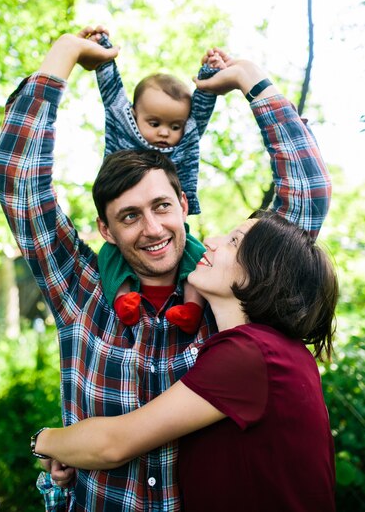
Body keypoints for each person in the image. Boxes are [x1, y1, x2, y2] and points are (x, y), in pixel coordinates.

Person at [0, 26, 332, 512]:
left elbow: (308, 196)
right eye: (129, 216)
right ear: (106, 231)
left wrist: (252, 84)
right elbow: (19, 183)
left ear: (184, 204)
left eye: (161, 206)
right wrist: (66, 51)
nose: (152, 228)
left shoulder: (233, 294)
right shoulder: (80, 289)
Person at [32, 208, 338, 512]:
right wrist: (70, 446)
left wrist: (44, 441)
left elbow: (113, 444)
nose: (210, 240)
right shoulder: (271, 350)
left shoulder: (251, 354)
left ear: (266, 272)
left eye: (233, 241)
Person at [90, 29, 223, 334]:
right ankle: (125, 299)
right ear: (135, 115)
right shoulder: (123, 128)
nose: (165, 133)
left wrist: (210, 73)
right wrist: (102, 54)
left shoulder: (185, 139)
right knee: (111, 256)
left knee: (195, 255)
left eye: (174, 125)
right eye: (155, 123)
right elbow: (112, 93)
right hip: (116, 206)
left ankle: (191, 307)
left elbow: (200, 109)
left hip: (182, 234)